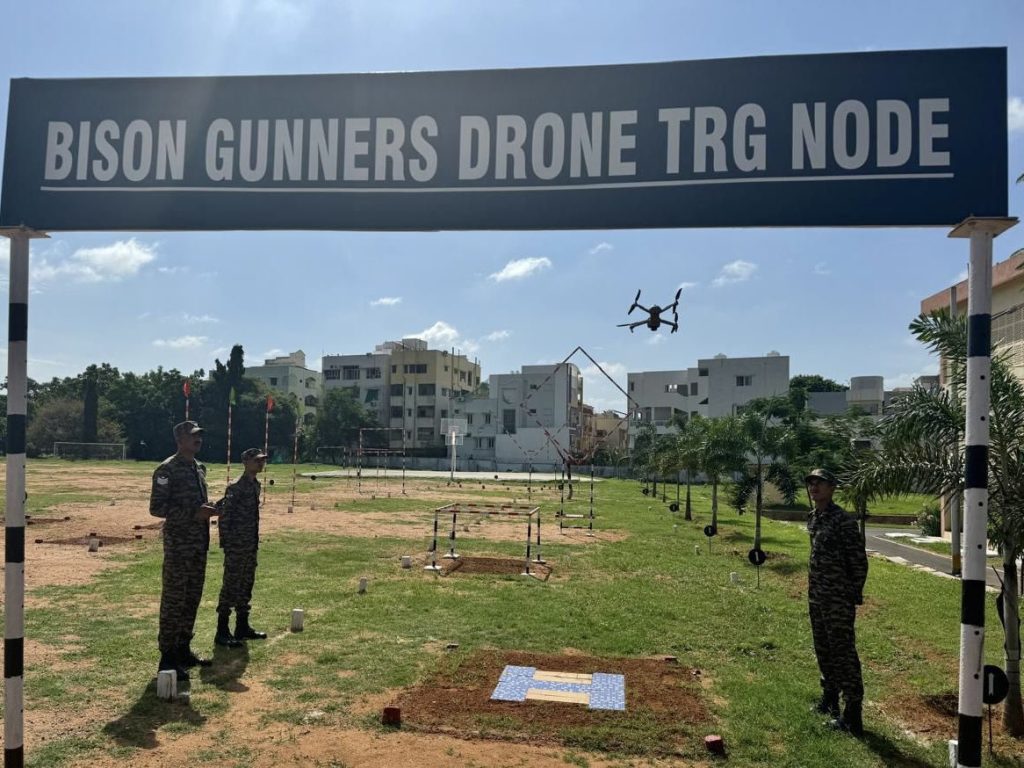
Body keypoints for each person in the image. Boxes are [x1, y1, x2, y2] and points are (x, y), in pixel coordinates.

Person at [150, 420, 219, 679]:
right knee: (174, 601)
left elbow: (196, 504)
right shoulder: (167, 469)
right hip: (179, 547)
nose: (198, 439)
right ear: (179, 440)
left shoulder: (198, 468)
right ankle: (168, 657)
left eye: (199, 435)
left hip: (198, 545)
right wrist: (193, 513)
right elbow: (157, 508)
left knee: (192, 598)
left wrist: (209, 509)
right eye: (192, 436)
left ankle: (183, 649)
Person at [805, 468, 869, 737]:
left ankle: (852, 713)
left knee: (843, 653)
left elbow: (858, 561)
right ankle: (830, 697)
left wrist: (850, 594)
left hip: (837, 600)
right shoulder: (814, 517)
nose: (814, 487)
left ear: (832, 488)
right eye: (811, 483)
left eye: (820, 483)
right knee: (823, 648)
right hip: (817, 596)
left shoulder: (843, 520)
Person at [214, 447, 269, 646]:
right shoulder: (235, 487)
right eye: (257, 460)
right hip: (236, 545)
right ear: (246, 462)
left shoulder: (256, 485)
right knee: (230, 586)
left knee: (246, 585)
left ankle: (242, 626)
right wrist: (227, 544)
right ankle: (222, 631)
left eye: (262, 460)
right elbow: (224, 517)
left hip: (250, 543)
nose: (261, 463)